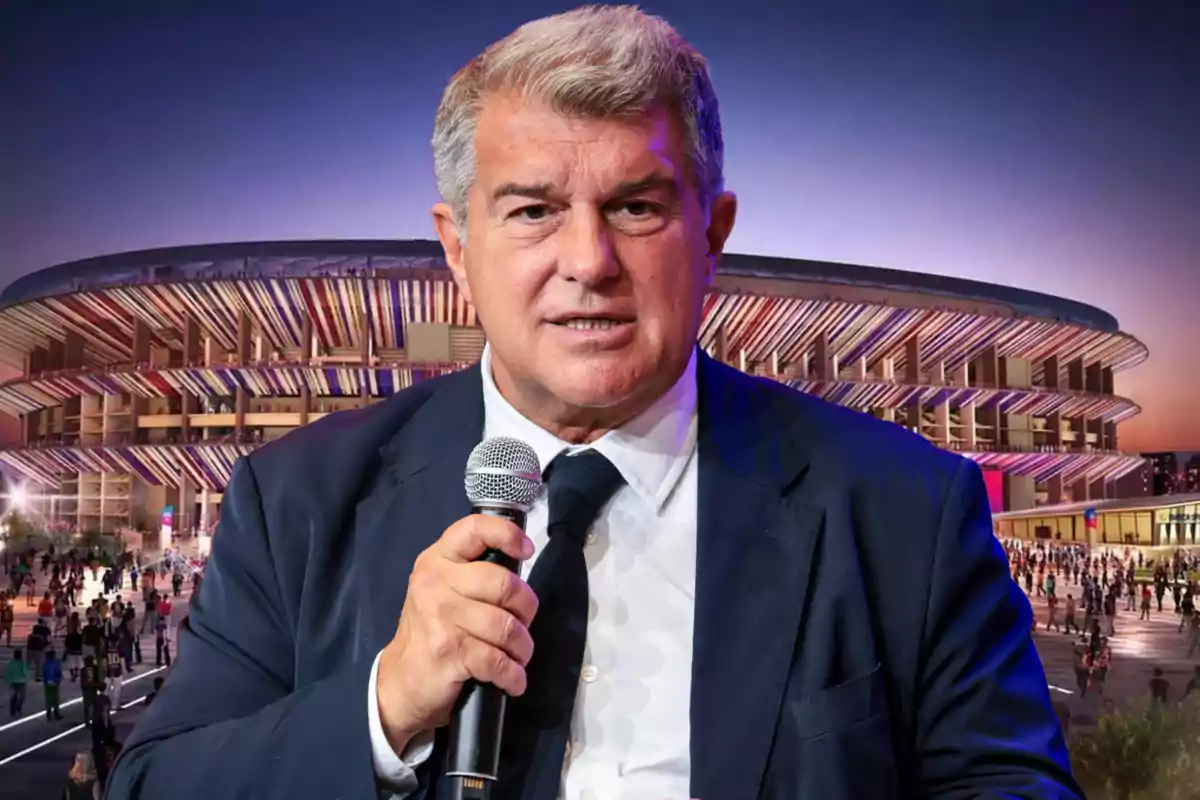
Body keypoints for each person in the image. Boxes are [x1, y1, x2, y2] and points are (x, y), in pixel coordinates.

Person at [108, 6, 1078, 799]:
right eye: (533, 210)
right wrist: (384, 705)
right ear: (456, 246)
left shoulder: (907, 508)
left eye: (635, 206)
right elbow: (155, 782)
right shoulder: (296, 500)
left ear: (714, 231)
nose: (588, 262)